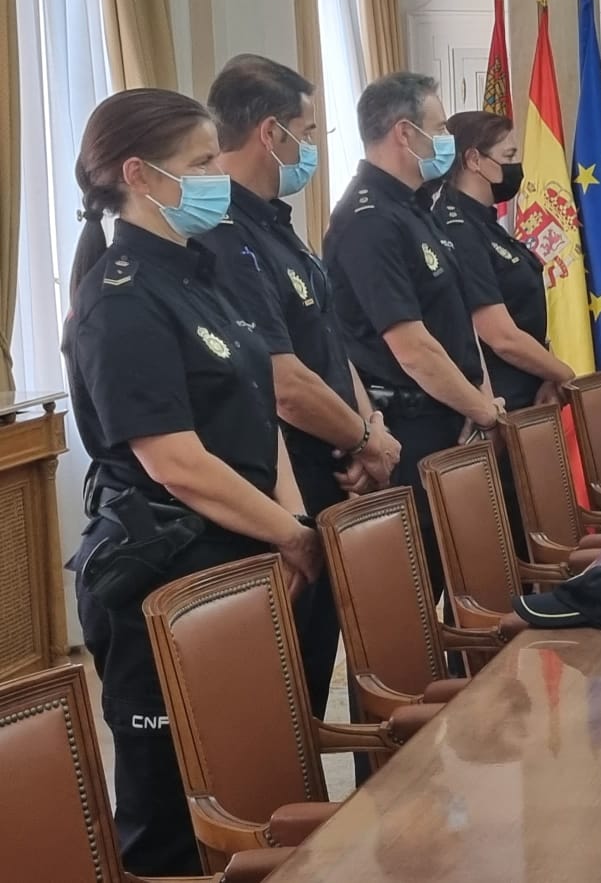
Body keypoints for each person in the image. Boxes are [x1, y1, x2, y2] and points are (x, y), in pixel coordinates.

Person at [63, 89, 323, 875]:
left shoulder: (201, 269)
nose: (219, 174)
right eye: (203, 162)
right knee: (174, 812)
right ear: (139, 175)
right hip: (165, 574)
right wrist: (291, 535)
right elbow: (174, 460)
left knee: (252, 777)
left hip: (242, 557)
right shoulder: (120, 299)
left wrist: (290, 521)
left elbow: (257, 406)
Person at [197, 55, 398, 720]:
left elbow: (331, 345)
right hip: (282, 493)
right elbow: (281, 381)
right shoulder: (222, 235)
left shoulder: (277, 224)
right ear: (270, 133)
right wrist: (365, 438)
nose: (310, 147)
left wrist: (369, 434)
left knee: (313, 679)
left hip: (335, 472)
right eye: (306, 132)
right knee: (278, 705)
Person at [324, 72, 503, 588]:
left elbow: (455, 322)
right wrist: (483, 412)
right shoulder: (369, 218)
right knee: (419, 593)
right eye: (439, 126)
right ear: (405, 133)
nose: (446, 137)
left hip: (456, 419)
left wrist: (482, 403)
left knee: (469, 585)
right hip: (412, 428)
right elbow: (412, 348)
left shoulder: (416, 208)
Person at [433, 111, 575, 411]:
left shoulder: (486, 222)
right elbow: (499, 336)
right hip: (496, 401)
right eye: (508, 155)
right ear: (474, 160)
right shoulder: (459, 229)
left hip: (527, 389)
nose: (516, 166)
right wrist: (565, 375)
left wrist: (547, 376)